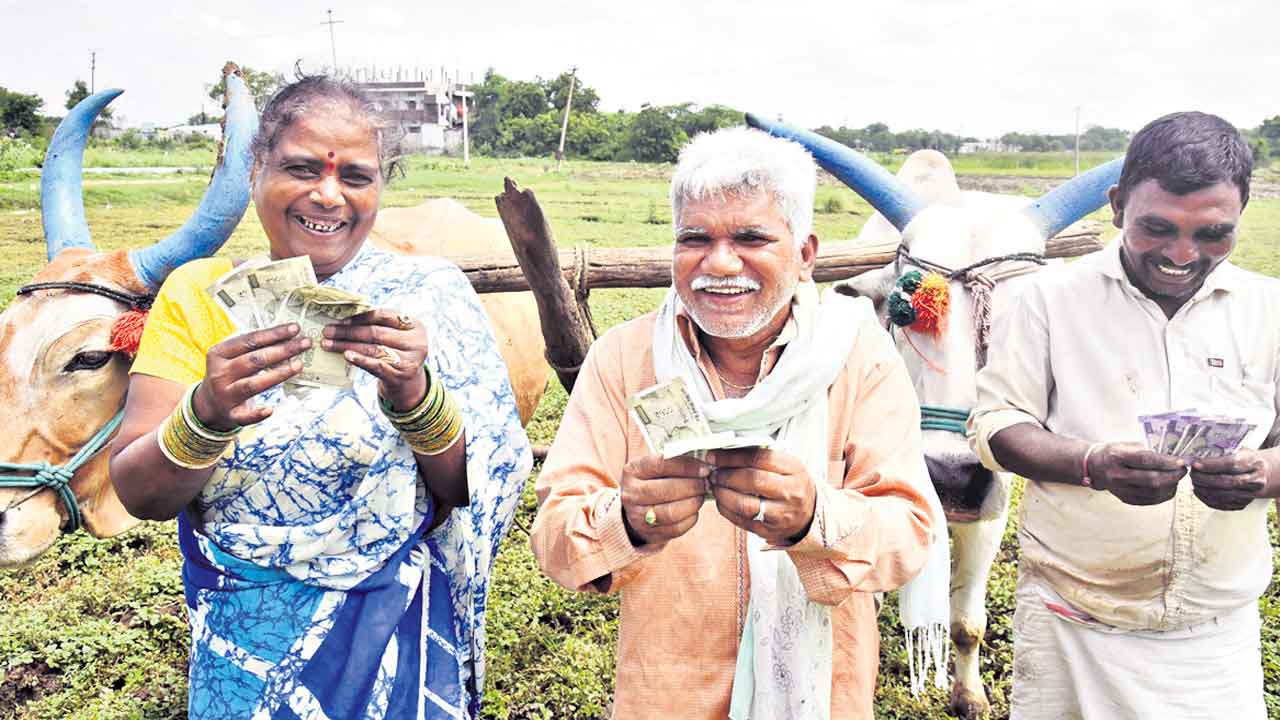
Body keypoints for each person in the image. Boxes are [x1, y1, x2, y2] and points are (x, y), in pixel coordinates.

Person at [108, 76, 531, 719]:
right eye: (301, 168)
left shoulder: (425, 295)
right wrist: (206, 414)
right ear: (256, 171)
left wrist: (414, 393)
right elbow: (139, 494)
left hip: (390, 611)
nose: (327, 195)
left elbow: (467, 487)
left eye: (355, 176)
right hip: (244, 619)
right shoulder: (200, 294)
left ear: (381, 186)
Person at [530, 127, 947, 719]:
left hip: (822, 696)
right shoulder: (625, 359)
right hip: (666, 695)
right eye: (695, 238)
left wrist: (815, 517)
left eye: (751, 237)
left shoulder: (859, 355)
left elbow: (910, 534)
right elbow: (553, 536)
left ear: (805, 255)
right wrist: (626, 521)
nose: (720, 262)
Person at [969, 111, 1278, 719]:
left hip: (1214, 630)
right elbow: (997, 426)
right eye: (1156, 228)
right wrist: (1092, 464)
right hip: (1071, 616)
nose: (1181, 255)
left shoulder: (1270, 309)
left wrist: (1262, 476)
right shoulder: (1045, 299)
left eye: (1213, 234)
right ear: (1115, 206)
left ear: (1241, 215)